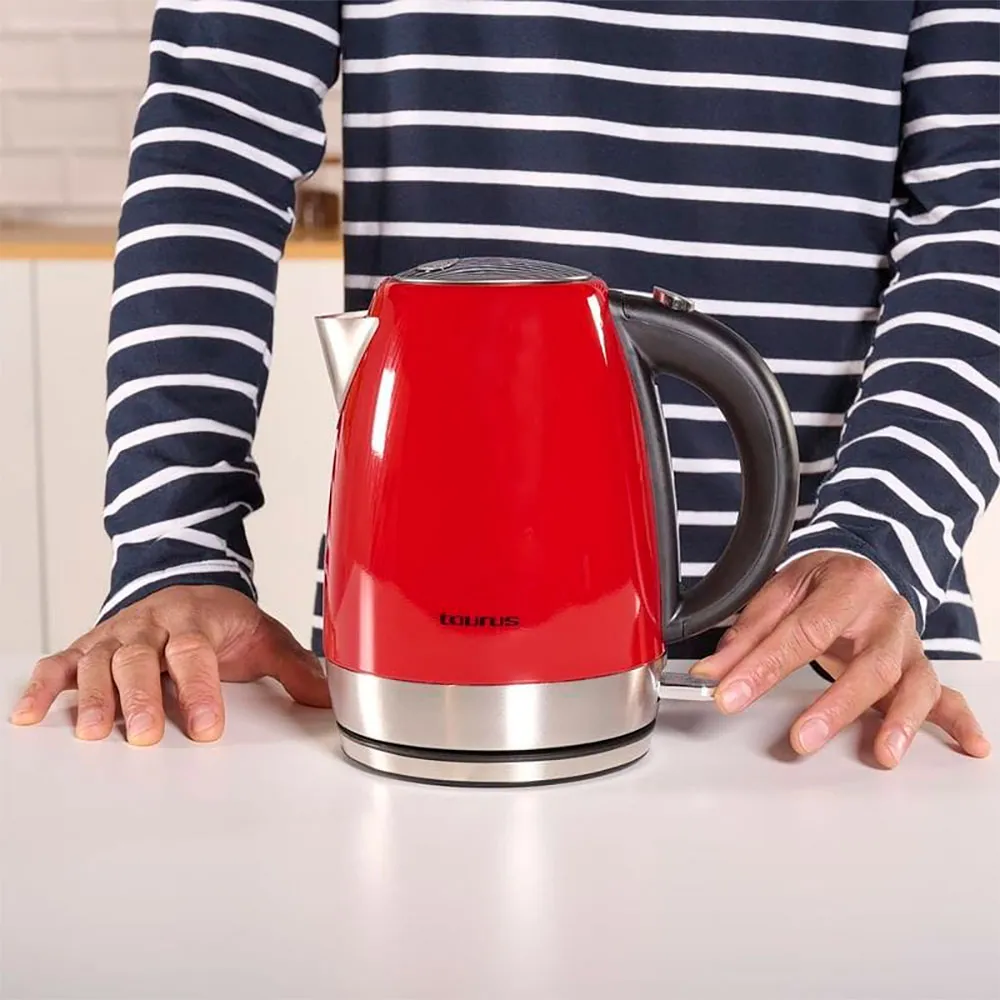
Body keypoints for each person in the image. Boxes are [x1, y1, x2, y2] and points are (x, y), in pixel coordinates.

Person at [10, 1, 998, 766]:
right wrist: (176, 549)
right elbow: (217, 136)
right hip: (425, 686)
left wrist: (885, 537)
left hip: (840, 664)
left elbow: (979, 204)